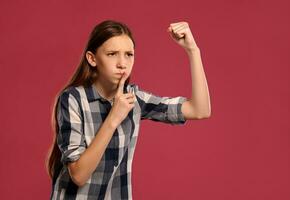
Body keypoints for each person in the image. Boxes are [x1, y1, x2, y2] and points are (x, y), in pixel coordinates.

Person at [46, 19, 211, 200]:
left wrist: (193, 51)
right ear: (92, 59)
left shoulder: (134, 99)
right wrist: (113, 118)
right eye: (112, 54)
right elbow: (78, 175)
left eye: (129, 54)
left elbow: (199, 110)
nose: (122, 63)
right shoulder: (72, 99)